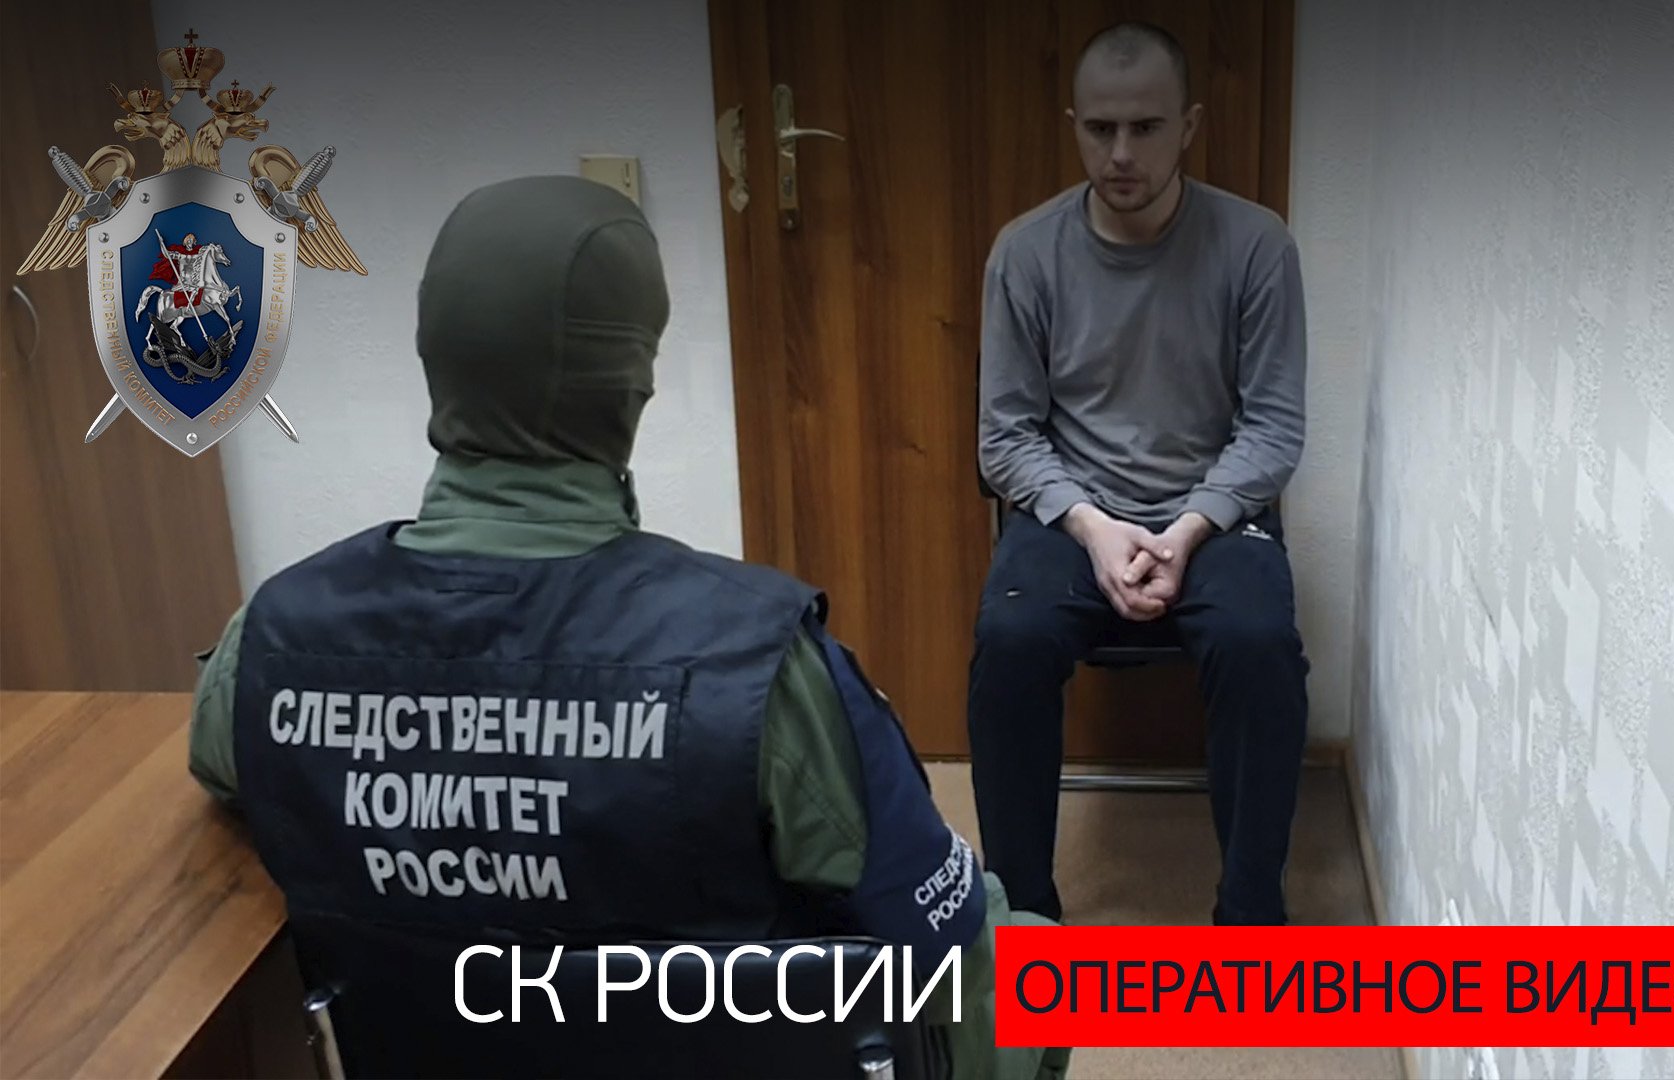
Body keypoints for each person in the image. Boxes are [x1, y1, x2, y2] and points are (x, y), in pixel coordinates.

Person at [186, 175, 1067, 1080]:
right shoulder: (759, 670)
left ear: (435, 358)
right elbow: (945, 954)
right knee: (1047, 962)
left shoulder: (271, 643)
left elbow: (228, 780)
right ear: (633, 387)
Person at [970, 21, 1311, 927]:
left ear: (1189, 125)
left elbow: (1274, 427)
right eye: (1101, 128)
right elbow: (1005, 438)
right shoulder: (1025, 253)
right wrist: (1094, 526)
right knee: (1009, 644)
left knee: (1260, 646)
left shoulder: (1257, 245)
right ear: (1074, 125)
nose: (1121, 153)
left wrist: (1187, 530)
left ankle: (1250, 924)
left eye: (1147, 128)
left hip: (1213, 512)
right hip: (1075, 512)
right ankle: (1023, 921)